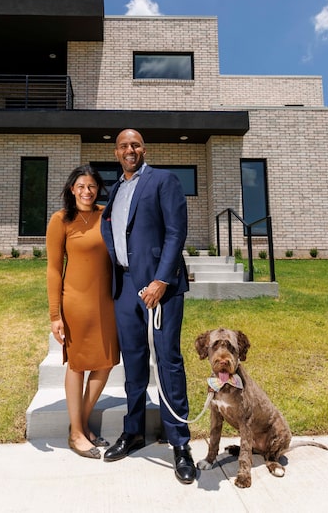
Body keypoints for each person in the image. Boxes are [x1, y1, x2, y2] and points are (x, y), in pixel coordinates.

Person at [99, 128, 196, 484]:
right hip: (125, 287)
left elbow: (176, 231)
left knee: (168, 361)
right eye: (123, 145)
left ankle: (180, 444)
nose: (130, 149)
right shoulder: (117, 190)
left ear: (144, 149)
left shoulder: (163, 180)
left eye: (135, 144)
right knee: (134, 363)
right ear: (116, 152)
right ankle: (134, 431)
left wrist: (161, 280)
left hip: (160, 288)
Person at [46, 165, 120, 459]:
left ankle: (79, 423)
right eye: (81, 186)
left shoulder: (106, 215)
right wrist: (55, 315)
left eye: (91, 186)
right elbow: (53, 269)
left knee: (106, 362)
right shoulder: (61, 220)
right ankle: (77, 433)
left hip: (107, 301)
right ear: (71, 189)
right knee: (77, 365)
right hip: (75, 302)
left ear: (97, 189)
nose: (86, 192)